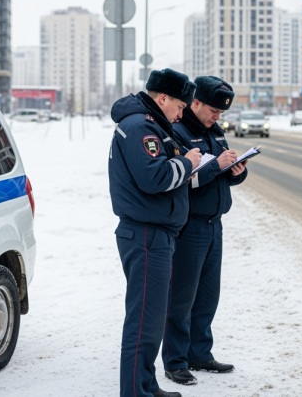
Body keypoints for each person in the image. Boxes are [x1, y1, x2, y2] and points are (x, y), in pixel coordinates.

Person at [109, 68, 201, 397]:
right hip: (146, 234)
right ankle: (136, 392)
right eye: (180, 106)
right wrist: (189, 162)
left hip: (154, 234)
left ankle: (146, 385)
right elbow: (155, 177)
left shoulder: (151, 124)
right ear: (162, 98)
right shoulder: (139, 127)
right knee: (144, 323)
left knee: (151, 321)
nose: (182, 113)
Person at [161, 76, 248, 386]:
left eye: (221, 113)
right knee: (181, 298)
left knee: (208, 296)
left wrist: (237, 172)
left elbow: (219, 176)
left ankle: (199, 353)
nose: (217, 117)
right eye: (213, 110)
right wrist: (215, 166)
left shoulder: (215, 133)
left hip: (215, 226)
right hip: (190, 227)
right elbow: (184, 179)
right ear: (194, 103)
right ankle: (175, 361)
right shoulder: (177, 132)